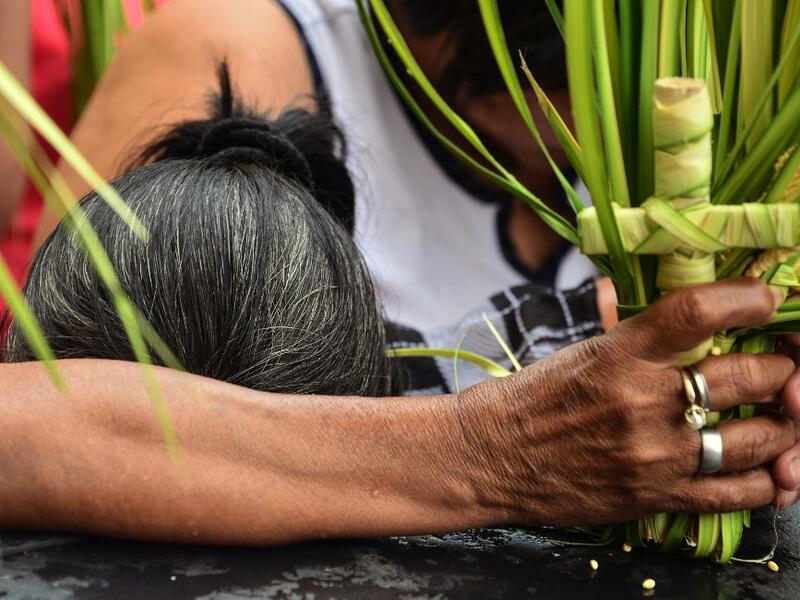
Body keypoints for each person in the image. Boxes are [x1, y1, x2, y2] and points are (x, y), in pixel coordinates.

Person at [0, 0, 798, 543]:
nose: (589, 145)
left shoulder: (680, 106)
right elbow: (59, 411)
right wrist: (497, 450)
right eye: (566, 105)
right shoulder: (238, 50)